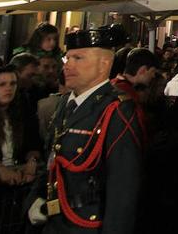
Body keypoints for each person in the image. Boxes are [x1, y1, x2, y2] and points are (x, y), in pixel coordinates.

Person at [25, 24, 144, 232]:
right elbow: (52, 159)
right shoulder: (65, 103)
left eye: (78, 58)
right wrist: (34, 199)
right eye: (67, 58)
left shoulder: (116, 110)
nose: (68, 66)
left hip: (87, 224)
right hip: (54, 222)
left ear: (104, 64)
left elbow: (123, 187)